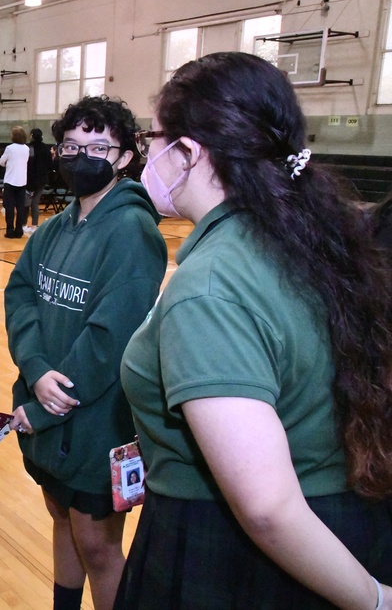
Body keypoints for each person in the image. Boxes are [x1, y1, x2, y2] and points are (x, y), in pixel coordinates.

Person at [117, 52, 392, 609]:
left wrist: (374, 601)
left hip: (245, 557)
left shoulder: (213, 285)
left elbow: (266, 505)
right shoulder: (314, 239)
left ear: (188, 152)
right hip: (343, 527)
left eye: (153, 140)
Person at [6, 96, 166, 610]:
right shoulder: (55, 227)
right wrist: (35, 370)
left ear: (124, 157)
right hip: (49, 402)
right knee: (60, 519)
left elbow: (109, 339)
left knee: (98, 546)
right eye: (72, 145)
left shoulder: (133, 231)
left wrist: (43, 405)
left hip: (100, 419)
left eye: (98, 147)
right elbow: (21, 292)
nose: (82, 157)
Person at [0, 125, 30, 238]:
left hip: (10, 181)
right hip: (22, 181)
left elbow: (2, 162)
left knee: (10, 208)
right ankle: (19, 230)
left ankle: (10, 230)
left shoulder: (10, 148)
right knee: (20, 207)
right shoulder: (26, 148)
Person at [22, 127, 51, 234]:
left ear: (32, 136)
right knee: (35, 203)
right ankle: (34, 225)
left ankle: (23, 224)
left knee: (26, 203)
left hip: (30, 179)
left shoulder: (29, 148)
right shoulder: (46, 148)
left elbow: (28, 164)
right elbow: (49, 164)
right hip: (42, 179)